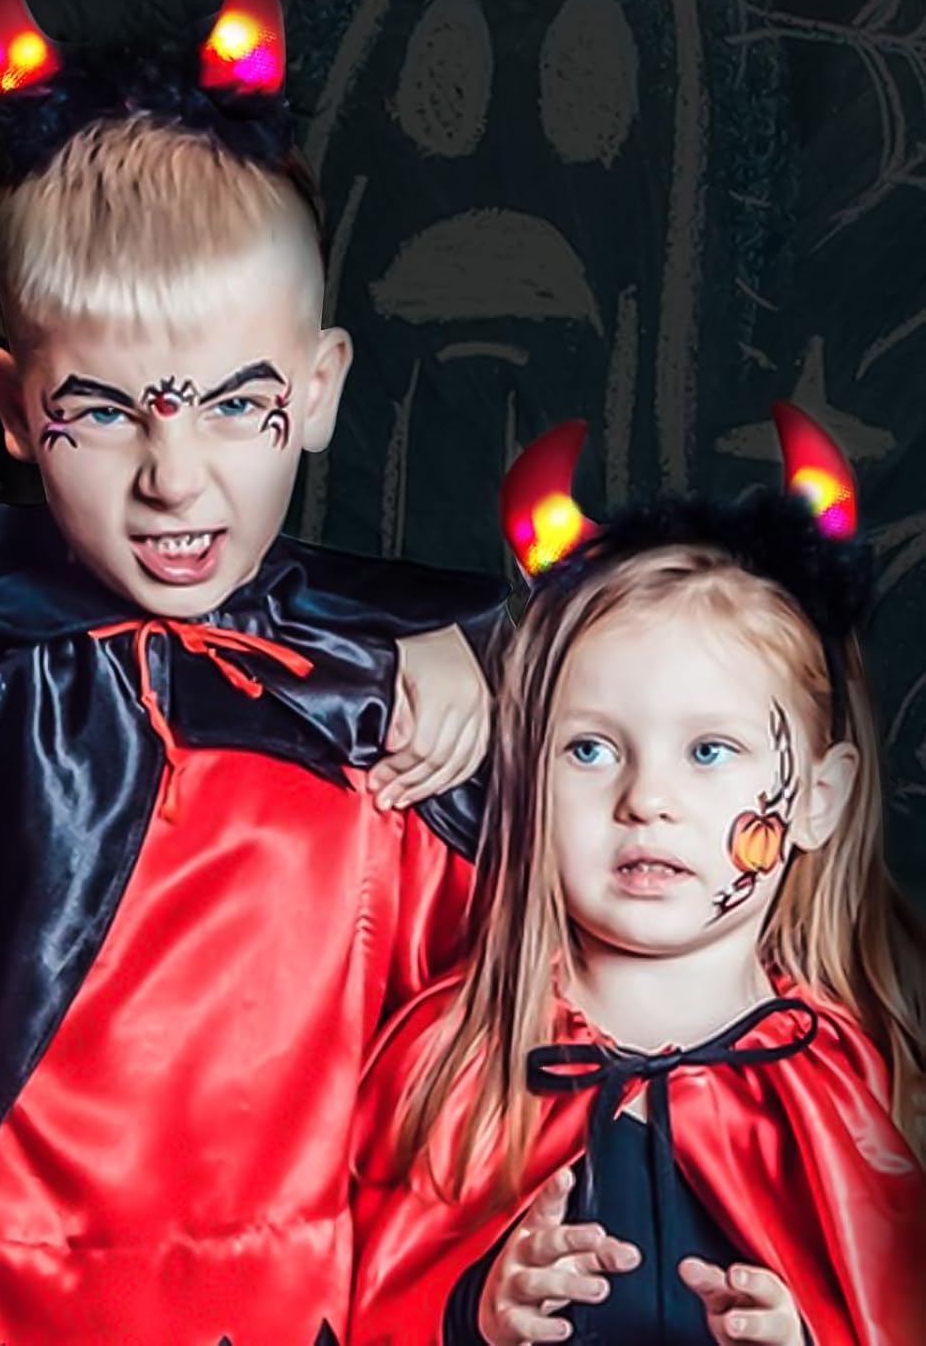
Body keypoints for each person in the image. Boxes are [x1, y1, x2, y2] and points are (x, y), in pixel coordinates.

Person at [0, 0, 506, 1345]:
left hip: (292, 1303)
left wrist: (448, 648)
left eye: (234, 405)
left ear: (319, 390)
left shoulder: (383, 687)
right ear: (15, 409)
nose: (174, 481)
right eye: (104, 413)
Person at [350, 407, 926, 1346]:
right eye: (589, 749)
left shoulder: (855, 1092)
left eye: (709, 750)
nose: (646, 800)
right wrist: (477, 1315)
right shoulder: (450, 1063)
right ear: (526, 781)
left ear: (817, 800)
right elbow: (352, 1303)